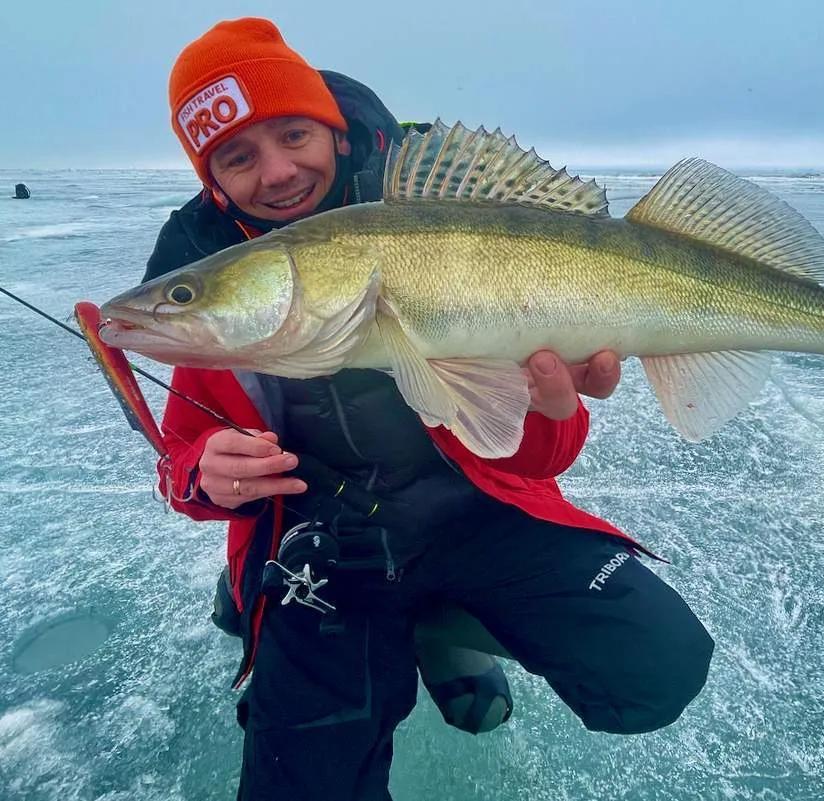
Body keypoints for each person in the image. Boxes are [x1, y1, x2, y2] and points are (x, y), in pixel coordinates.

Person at [146, 17, 713, 800]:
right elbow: (178, 457)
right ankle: (340, 623)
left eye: (294, 134)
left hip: (476, 516)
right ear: (214, 182)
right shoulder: (216, 305)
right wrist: (203, 474)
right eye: (238, 158)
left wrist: (546, 410)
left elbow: (542, 458)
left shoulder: (427, 206)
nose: (275, 173)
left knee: (658, 665)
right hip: (324, 547)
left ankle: (438, 628)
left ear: (337, 133)